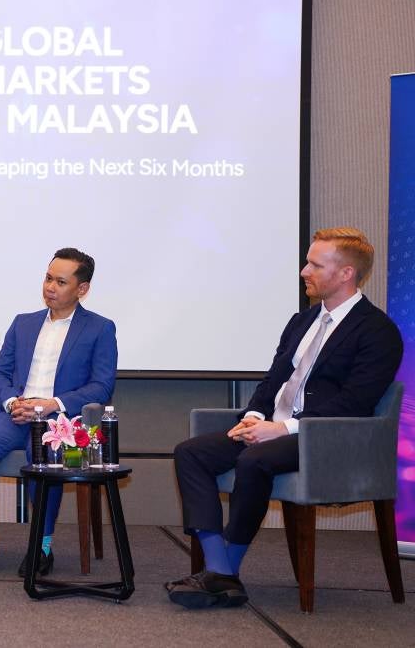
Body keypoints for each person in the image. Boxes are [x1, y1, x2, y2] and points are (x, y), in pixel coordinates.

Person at [166, 227, 403, 609]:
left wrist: (283, 428)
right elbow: (274, 379)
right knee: (191, 452)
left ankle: (226, 570)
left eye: (314, 264)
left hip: (323, 438)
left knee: (254, 459)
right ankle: (218, 566)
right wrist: (255, 416)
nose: (303, 271)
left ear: (346, 273)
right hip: (270, 428)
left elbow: (354, 403)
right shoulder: (302, 321)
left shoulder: (378, 332)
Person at [0, 248, 118, 576]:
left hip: (59, 421)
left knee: (45, 461)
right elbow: (0, 373)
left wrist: (53, 404)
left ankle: (42, 546)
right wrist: (12, 403)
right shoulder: (23, 323)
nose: (50, 286)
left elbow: (101, 387)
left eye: (61, 281)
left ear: (82, 289)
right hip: (15, 414)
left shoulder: (100, 329)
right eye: (48, 278)